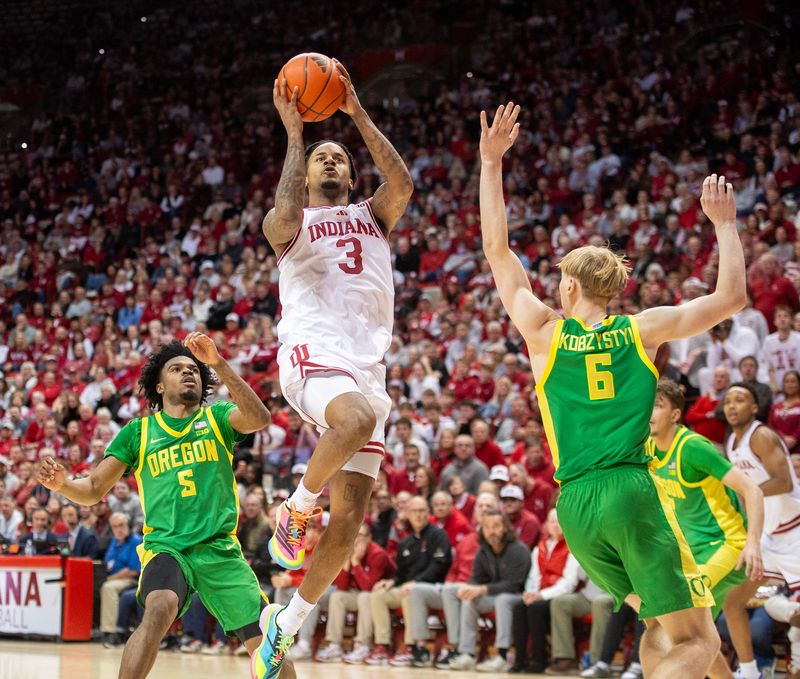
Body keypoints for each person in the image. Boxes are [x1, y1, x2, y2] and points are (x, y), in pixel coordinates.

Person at [479, 101, 745, 678]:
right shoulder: (643, 330)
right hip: (630, 492)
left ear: (569, 287)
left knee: (659, 627)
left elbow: (497, 252)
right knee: (702, 641)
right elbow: (730, 299)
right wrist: (724, 224)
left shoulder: (543, 332)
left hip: (573, 505)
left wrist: (491, 163)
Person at [261, 61, 413, 672]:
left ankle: (286, 621)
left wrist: (353, 113)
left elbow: (400, 182)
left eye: (337, 158)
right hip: (312, 348)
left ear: (352, 175)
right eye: (321, 158)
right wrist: (297, 135)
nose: (330, 162)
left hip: (367, 365)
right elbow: (280, 218)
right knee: (347, 420)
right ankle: (297, 506)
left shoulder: (374, 216)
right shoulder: (293, 226)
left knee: (348, 525)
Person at [35, 336, 280, 679]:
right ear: (160, 386)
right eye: (177, 369)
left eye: (194, 369)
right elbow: (92, 489)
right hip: (167, 547)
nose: (188, 373)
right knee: (160, 605)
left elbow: (259, 418)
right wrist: (62, 485)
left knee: (269, 645)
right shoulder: (139, 432)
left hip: (220, 549)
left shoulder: (218, 419)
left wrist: (219, 363)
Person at [648, 379, 764, 678]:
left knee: (682, 622)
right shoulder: (647, 449)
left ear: (675, 415)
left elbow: (753, 490)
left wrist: (752, 544)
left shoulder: (693, 448)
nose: (649, 412)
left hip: (728, 545)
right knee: (694, 633)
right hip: (693, 553)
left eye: (657, 406)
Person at [721, 383, 800, 679]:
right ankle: (750, 671)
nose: (731, 406)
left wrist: (750, 492)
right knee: (733, 603)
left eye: (739, 400)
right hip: (768, 537)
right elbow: (746, 495)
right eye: (728, 401)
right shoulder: (732, 442)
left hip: (794, 532)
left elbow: (784, 482)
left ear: (754, 408)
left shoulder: (762, 435)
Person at [365, 495, 451, 666]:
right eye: (414, 511)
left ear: (428, 512)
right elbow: (402, 573)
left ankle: (412, 647)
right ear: (408, 514)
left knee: (411, 593)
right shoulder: (406, 542)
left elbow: (439, 567)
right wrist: (391, 582)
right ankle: (382, 645)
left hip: (431, 589)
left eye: (422, 511)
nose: (418, 515)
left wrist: (416, 582)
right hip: (407, 588)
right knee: (378, 594)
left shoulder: (439, 535)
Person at [445, 508, 530, 672]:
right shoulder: (483, 551)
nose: (492, 531)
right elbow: (477, 578)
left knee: (503, 599)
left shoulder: (518, 550)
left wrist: (482, 589)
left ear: (505, 527)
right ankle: (467, 654)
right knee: (470, 598)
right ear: (482, 530)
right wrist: (470, 588)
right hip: (493, 596)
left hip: (519, 598)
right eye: (487, 527)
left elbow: (514, 585)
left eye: (496, 526)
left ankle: (502, 655)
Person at [100, 513, 142, 648]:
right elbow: (108, 563)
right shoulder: (114, 541)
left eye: (121, 526)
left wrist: (109, 578)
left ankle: (112, 631)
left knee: (108, 587)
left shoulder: (136, 541)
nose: (118, 529)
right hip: (113, 577)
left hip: (131, 579)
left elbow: (133, 570)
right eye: (115, 527)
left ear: (128, 526)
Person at [763, 306, 800, 392]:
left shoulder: (798, 339)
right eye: (779, 316)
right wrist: (773, 386)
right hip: (778, 388)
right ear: (774, 321)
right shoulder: (768, 341)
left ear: (791, 320)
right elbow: (768, 367)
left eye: (785, 316)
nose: (782, 319)